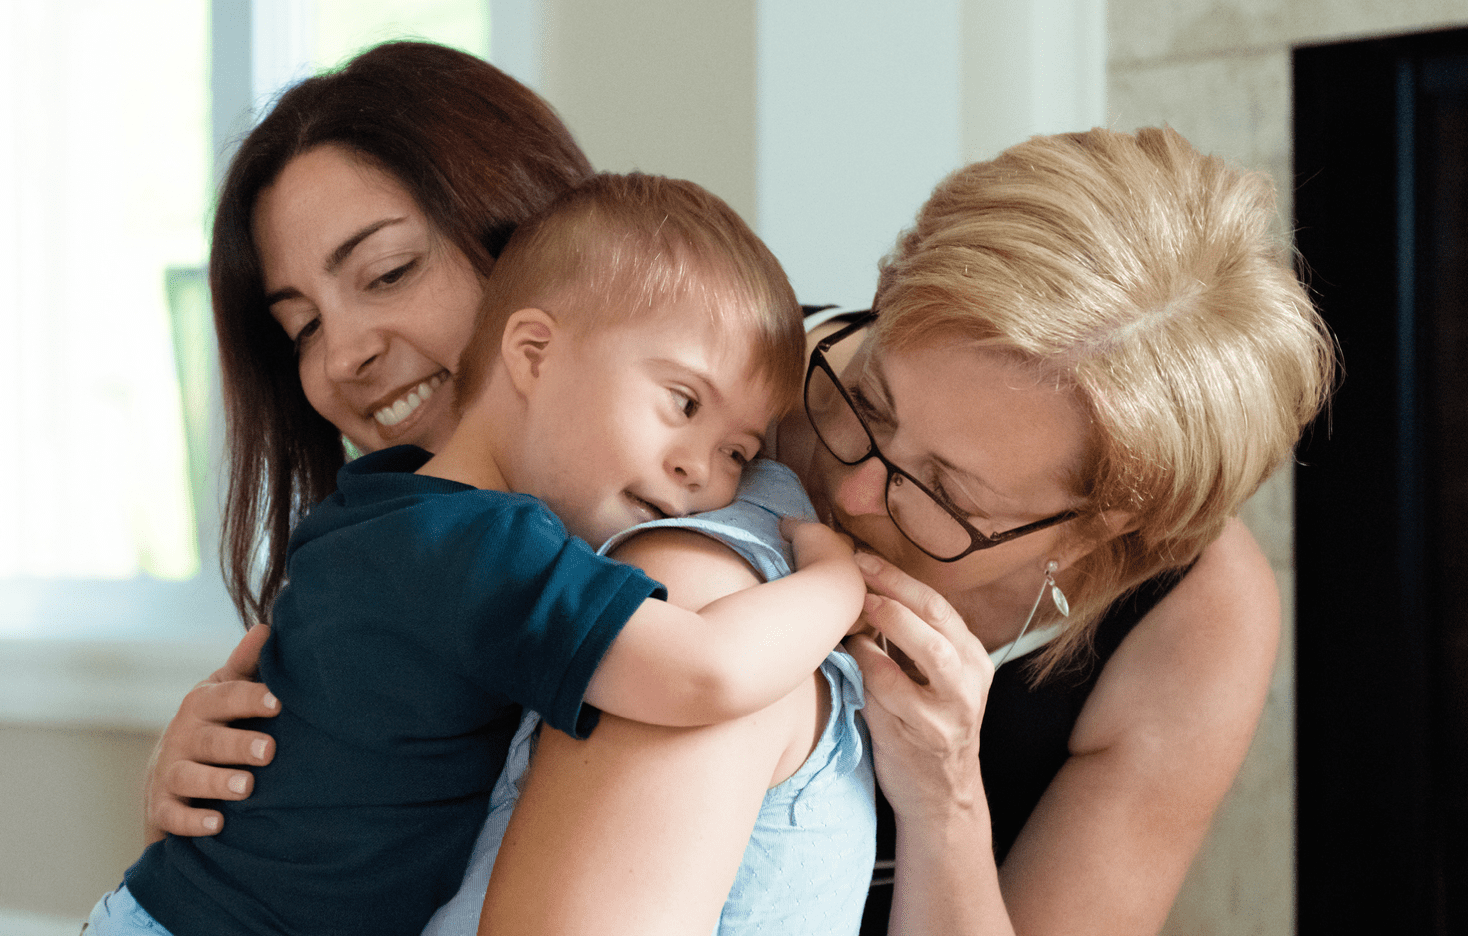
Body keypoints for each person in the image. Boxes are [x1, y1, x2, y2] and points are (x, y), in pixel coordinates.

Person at [149, 39, 1332, 933]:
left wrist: (945, 800)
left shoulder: (1198, 614)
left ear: (1101, 530)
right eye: (866, 399)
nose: (853, 491)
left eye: (945, 490)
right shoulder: (712, 463)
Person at [89, 171, 869, 936]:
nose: (701, 470)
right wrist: (838, 580)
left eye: (737, 453)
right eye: (682, 403)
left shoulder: (379, 505)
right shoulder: (482, 549)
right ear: (532, 351)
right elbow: (708, 671)